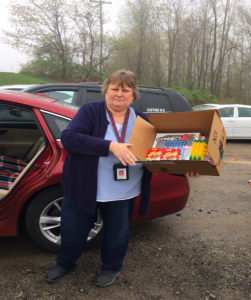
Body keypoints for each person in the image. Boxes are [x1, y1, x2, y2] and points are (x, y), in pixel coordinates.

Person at [45, 69, 198, 287]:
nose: (119, 93)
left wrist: (186, 168)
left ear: (134, 95)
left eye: (125, 90)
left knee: (118, 235)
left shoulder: (143, 121)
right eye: (114, 88)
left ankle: (111, 267)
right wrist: (110, 146)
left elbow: (158, 156)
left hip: (123, 192)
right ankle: (65, 263)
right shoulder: (90, 111)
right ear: (105, 91)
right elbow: (70, 139)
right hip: (84, 188)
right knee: (72, 231)